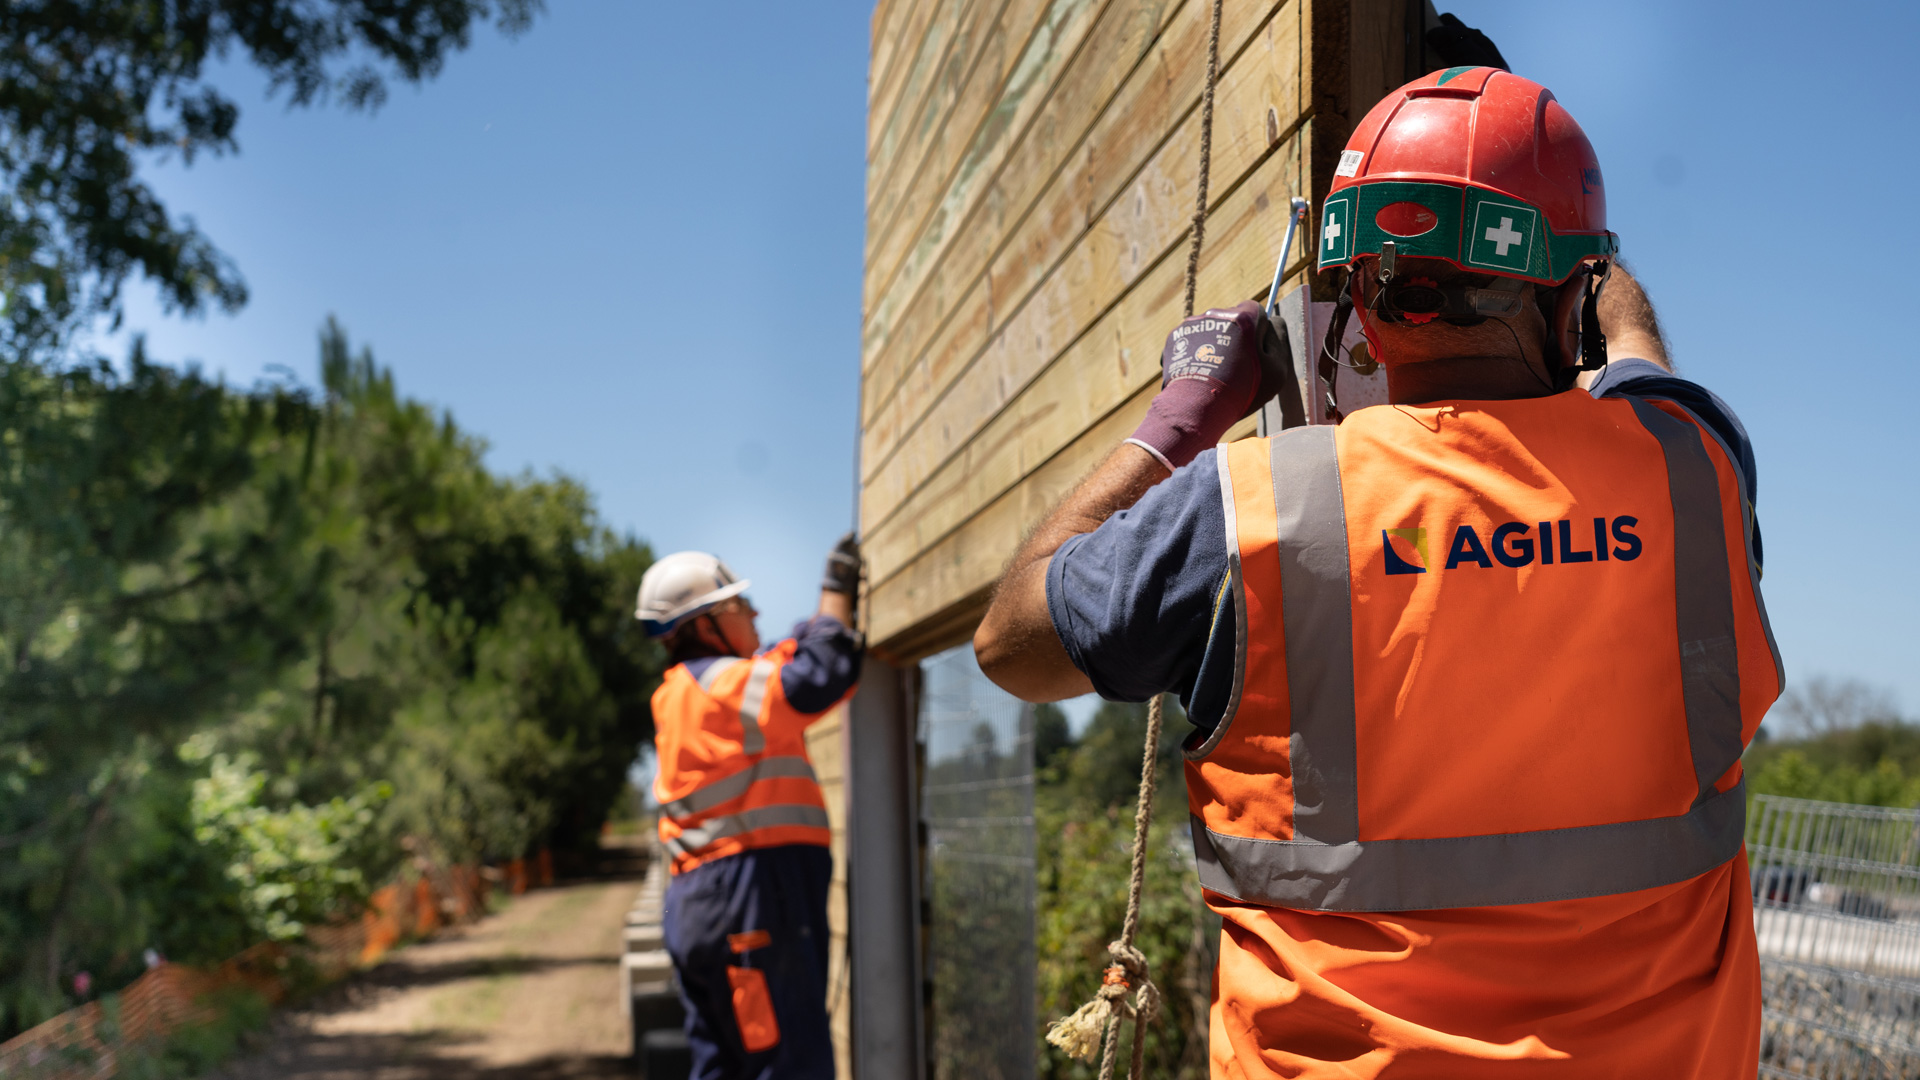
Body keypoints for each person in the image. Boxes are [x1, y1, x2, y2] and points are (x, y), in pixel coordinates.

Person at [975, 66, 1781, 1079]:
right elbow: (1636, 350)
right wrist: (1578, 248)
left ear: (1356, 297)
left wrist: (1179, 418)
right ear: (1571, 293)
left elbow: (1009, 642)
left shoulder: (1251, 510)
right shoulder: (1692, 467)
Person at [638, 536, 863, 1080]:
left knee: (723, 1066)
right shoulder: (724, 686)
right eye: (739, 605)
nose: (756, 612)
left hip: (703, 902)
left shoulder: (684, 692)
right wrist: (836, 589)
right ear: (704, 624)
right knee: (787, 1066)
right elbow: (822, 673)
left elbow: (785, 662)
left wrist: (809, 630)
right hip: (749, 900)